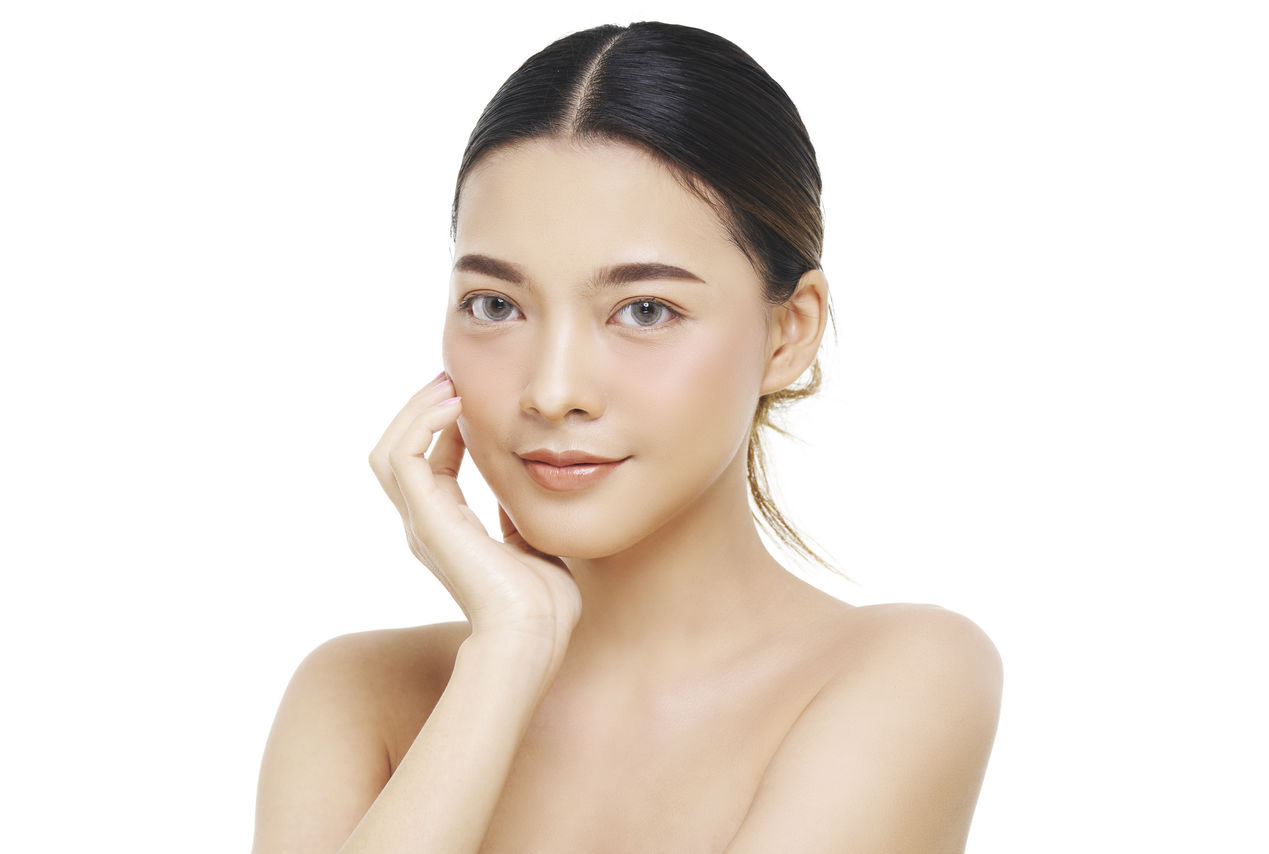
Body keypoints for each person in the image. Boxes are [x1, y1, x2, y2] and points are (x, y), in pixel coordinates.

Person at [252, 21, 1002, 854]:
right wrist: (508, 651)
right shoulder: (357, 695)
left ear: (788, 334)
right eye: (496, 305)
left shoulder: (906, 674)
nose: (553, 390)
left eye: (645, 310)